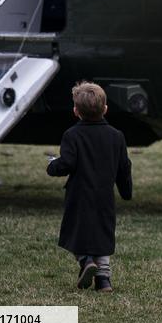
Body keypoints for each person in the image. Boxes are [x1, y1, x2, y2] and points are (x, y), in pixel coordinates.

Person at [47, 81, 133, 293]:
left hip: (79, 196)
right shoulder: (116, 136)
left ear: (76, 111)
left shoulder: (72, 135)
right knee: (103, 234)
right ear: (105, 109)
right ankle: (103, 280)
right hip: (104, 197)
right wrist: (126, 192)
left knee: (74, 232)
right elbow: (124, 167)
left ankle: (85, 260)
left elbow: (67, 163)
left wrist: (52, 166)